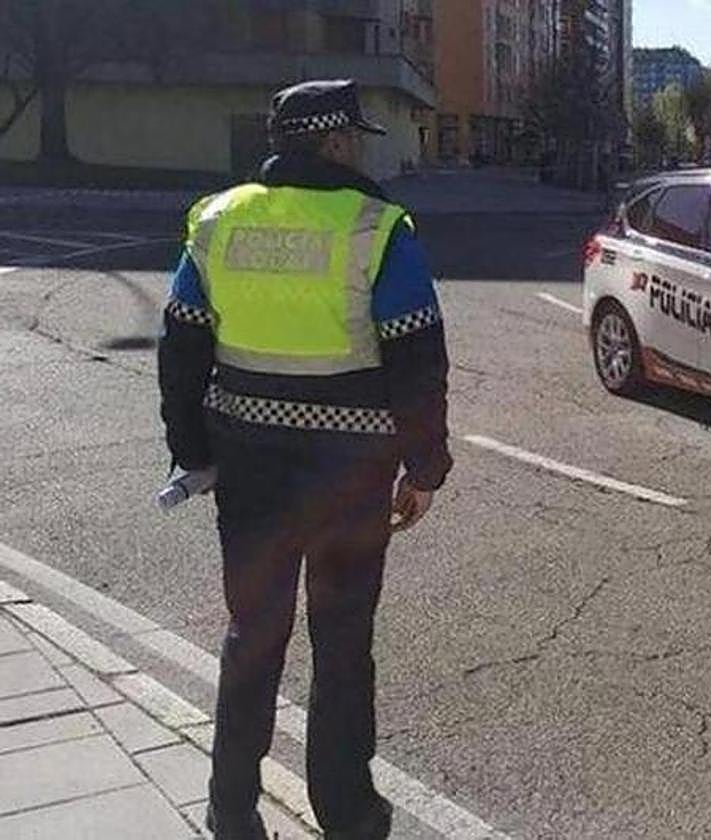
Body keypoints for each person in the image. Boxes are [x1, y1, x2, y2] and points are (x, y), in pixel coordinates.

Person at [157, 79, 452, 840]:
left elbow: (182, 346)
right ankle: (347, 817)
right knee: (343, 646)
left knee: (251, 637)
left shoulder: (217, 222)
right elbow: (417, 356)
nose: (359, 147)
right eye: (353, 136)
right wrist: (423, 469)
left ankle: (229, 814)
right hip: (348, 478)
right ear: (334, 142)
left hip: (249, 468)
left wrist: (192, 451)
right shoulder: (377, 228)